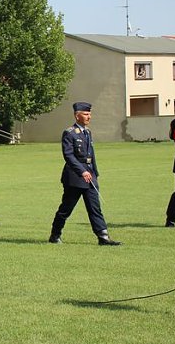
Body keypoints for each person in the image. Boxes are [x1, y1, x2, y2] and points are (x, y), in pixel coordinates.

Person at [48, 102, 121, 246]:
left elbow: (91, 156)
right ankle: (55, 235)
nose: (89, 117)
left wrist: (95, 174)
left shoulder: (88, 132)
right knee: (66, 209)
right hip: (75, 178)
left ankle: (103, 237)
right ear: (77, 116)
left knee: (95, 208)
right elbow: (68, 156)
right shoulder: (69, 133)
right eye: (86, 114)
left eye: (90, 114)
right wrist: (82, 171)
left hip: (90, 177)